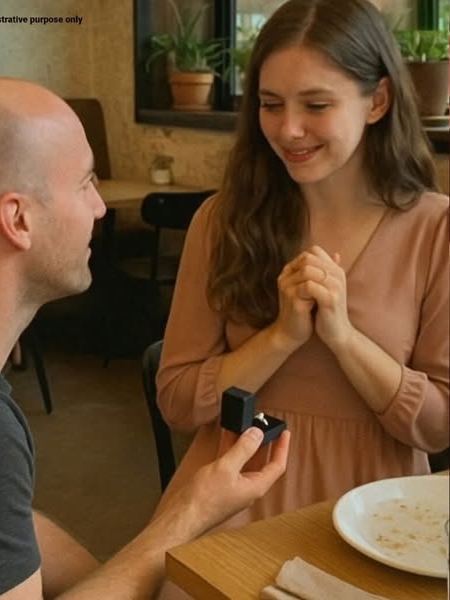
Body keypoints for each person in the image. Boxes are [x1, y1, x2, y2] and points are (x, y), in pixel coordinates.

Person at [0, 76, 291, 599]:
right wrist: (190, 514)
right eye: (86, 183)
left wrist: (109, 580)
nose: (100, 208)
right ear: (18, 218)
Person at [156, 0, 449, 584]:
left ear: (378, 101)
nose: (288, 129)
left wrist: (343, 337)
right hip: (232, 498)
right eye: (270, 105)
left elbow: (438, 425)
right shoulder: (221, 221)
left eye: (316, 105)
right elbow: (178, 402)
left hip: (381, 517)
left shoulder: (436, 230)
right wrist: (281, 337)